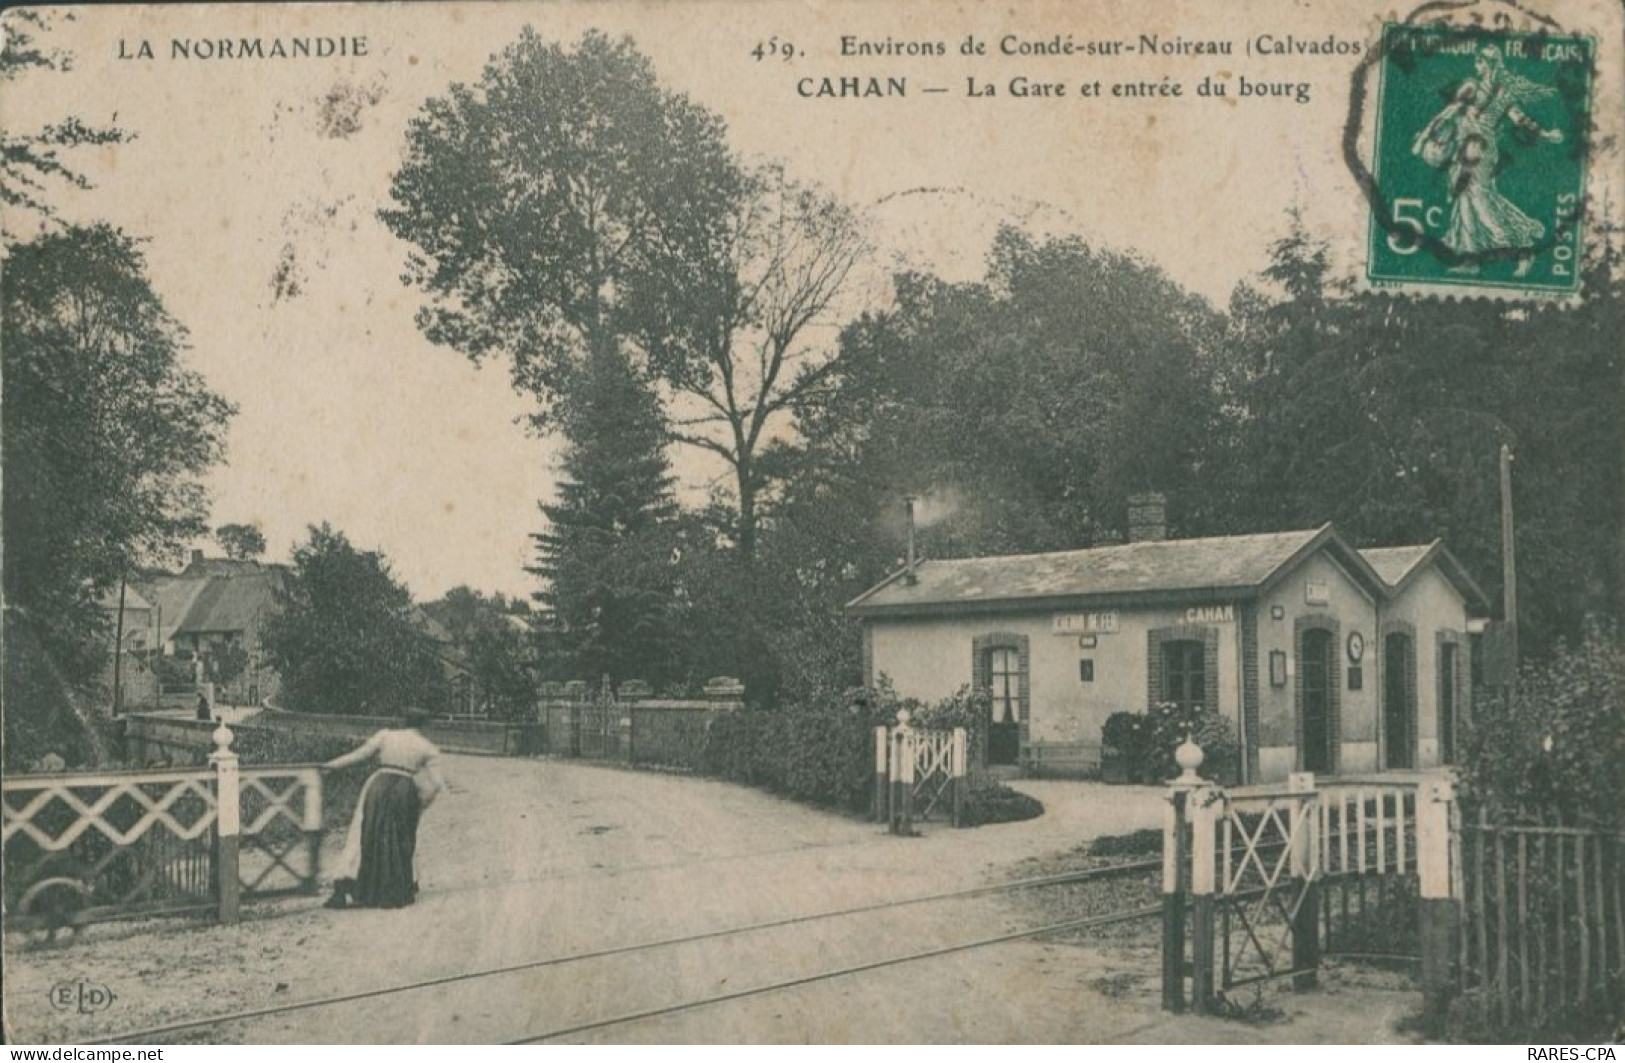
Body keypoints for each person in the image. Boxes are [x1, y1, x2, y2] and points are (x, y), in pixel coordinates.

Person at [1411, 45, 1564, 276]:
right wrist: (1545, 134)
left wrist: (1424, 136)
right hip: (1469, 146)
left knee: (1480, 198)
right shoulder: (1490, 90)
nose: (1476, 66)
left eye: (1479, 62)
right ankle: (1471, 260)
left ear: (1488, 63)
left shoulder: (1486, 89)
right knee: (1466, 199)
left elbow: (1451, 113)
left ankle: (1523, 249)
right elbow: (1518, 119)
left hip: (1478, 149)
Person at [322, 708, 448, 909]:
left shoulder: (386, 736)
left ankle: (347, 885)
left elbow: (358, 755)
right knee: (401, 837)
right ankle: (393, 889)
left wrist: (330, 766)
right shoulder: (428, 747)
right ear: (423, 725)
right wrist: (422, 804)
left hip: (379, 785)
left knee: (361, 833)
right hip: (405, 790)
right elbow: (436, 785)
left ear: (402, 720)